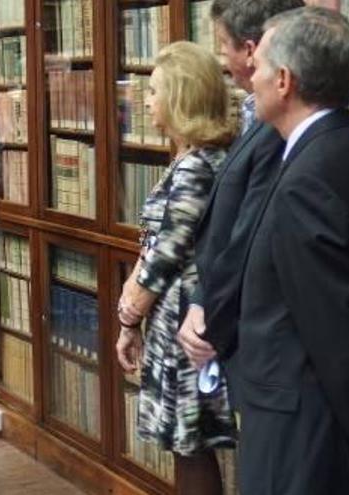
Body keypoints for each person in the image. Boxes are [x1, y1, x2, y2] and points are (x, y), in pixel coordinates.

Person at [237, 7, 349, 493]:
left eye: (261, 65)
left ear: (285, 80)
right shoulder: (345, 149)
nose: (253, 74)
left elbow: (338, 335)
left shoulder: (306, 182)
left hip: (304, 435)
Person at [113, 41, 236, 495]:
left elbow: (166, 254)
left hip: (186, 320)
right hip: (175, 317)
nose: (145, 102)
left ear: (180, 97)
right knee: (186, 443)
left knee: (191, 442)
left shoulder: (197, 167)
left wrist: (127, 320)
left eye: (154, 91)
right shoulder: (191, 158)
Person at [177, 0, 301, 385]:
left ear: (250, 51)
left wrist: (207, 307)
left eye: (223, 45)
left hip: (253, 332)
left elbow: (245, 231)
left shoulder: (278, 128)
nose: (222, 59)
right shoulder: (252, 114)